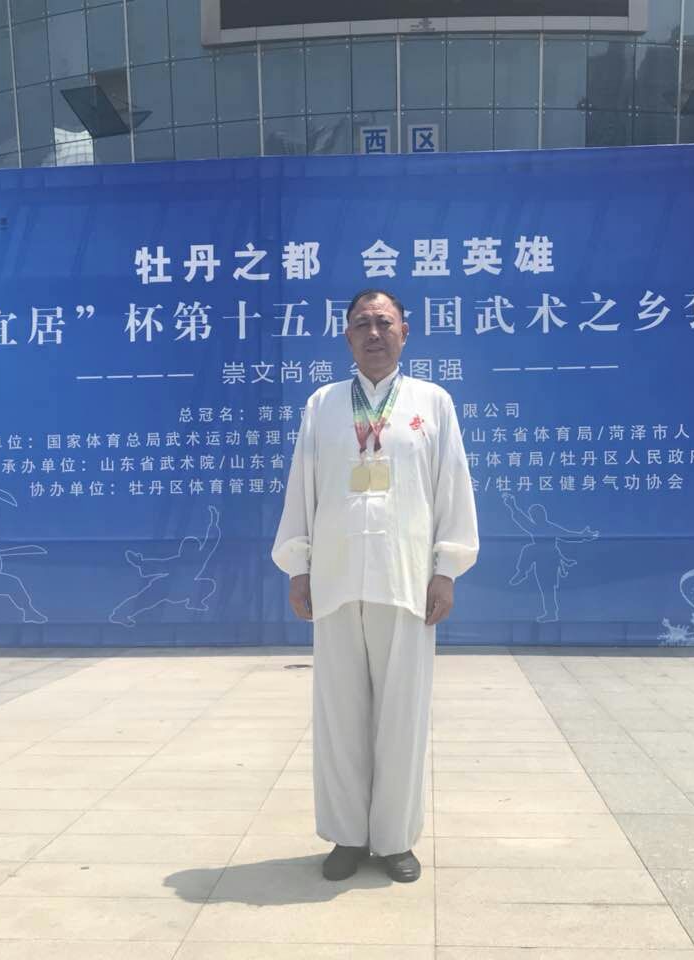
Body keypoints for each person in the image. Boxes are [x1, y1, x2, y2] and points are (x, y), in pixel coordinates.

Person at [272, 288, 479, 884]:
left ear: (404, 332)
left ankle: (394, 839)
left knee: (403, 716)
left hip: (406, 579)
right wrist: (299, 565)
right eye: (361, 323)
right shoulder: (323, 405)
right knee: (339, 715)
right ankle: (347, 836)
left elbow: (451, 487)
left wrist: (446, 569)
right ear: (346, 336)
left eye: (384, 322)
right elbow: (302, 488)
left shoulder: (432, 402)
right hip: (336, 578)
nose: (373, 333)